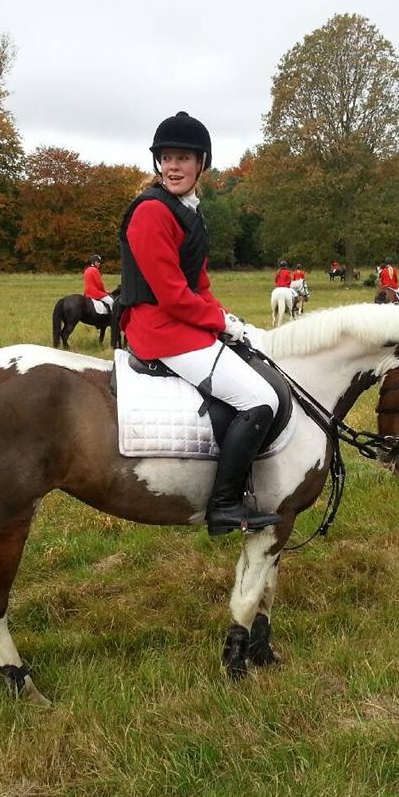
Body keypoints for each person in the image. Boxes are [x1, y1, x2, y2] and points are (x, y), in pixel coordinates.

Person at [118, 111, 281, 537]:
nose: (173, 167)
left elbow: (199, 285)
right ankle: (223, 505)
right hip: (159, 329)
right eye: (166, 158)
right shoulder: (153, 212)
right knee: (260, 400)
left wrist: (228, 321)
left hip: (178, 323)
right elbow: (172, 294)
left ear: (201, 165)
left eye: (183, 159)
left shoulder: (188, 212)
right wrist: (218, 323)